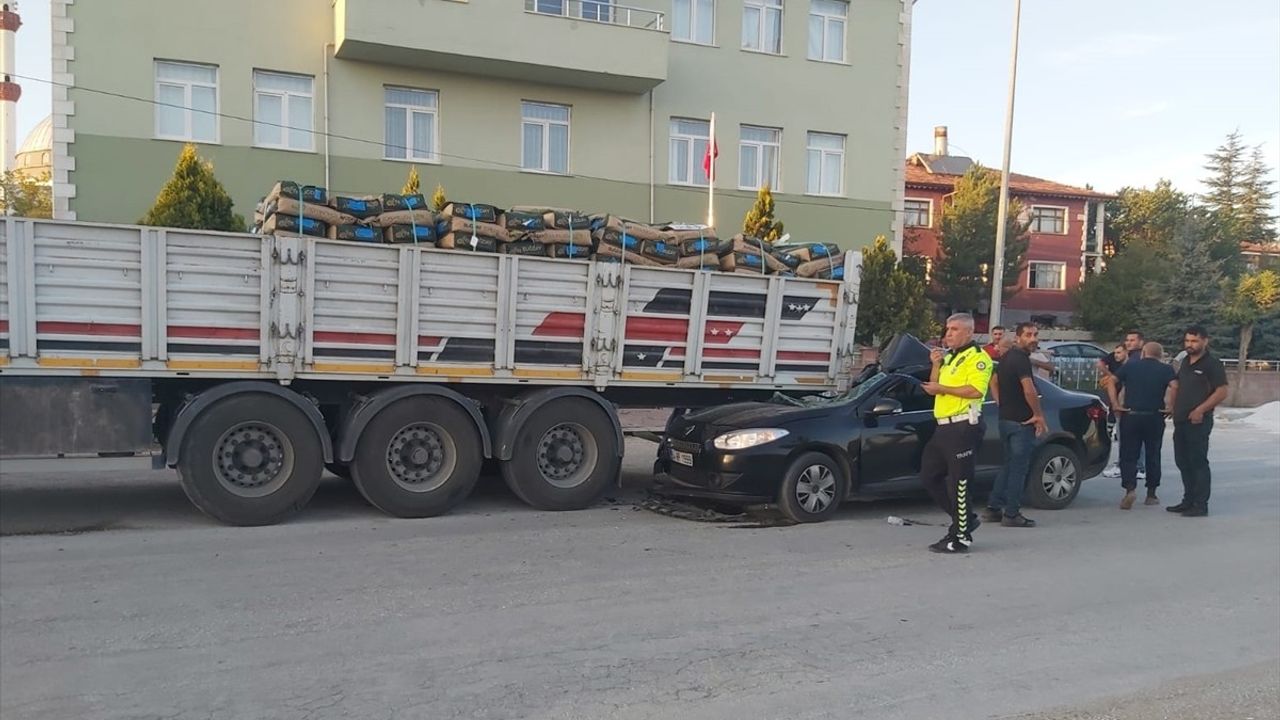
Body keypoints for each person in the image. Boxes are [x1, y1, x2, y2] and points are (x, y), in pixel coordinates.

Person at [919, 313, 995, 554]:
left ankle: (960, 536)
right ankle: (965, 520)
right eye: (947, 329)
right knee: (929, 476)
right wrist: (935, 365)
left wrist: (942, 387)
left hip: (964, 426)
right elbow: (934, 388)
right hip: (943, 425)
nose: (948, 334)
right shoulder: (949, 357)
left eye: (954, 329)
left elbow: (975, 390)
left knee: (959, 483)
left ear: (969, 332)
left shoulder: (978, 358)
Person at [986, 322, 1048, 527]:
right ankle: (1011, 513)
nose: (1033, 339)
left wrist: (1000, 402)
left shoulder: (1005, 358)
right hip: (1022, 421)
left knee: (1009, 464)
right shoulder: (1020, 360)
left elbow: (993, 380)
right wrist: (1038, 415)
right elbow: (1029, 390)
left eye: (1036, 335)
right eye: (1028, 335)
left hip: (1005, 419)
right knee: (1019, 469)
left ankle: (994, 507)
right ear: (1018, 337)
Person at [1107, 342, 1177, 509]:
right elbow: (1175, 386)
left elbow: (1111, 380)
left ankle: (1130, 489)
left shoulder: (1131, 366)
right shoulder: (1166, 369)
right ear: (1160, 355)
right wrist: (1171, 407)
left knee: (1128, 454)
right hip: (1154, 416)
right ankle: (1151, 494)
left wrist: (1115, 403)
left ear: (1144, 352)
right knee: (1153, 453)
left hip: (1131, 415)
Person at [1169, 325, 1228, 517]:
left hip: (1198, 422)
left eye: (1194, 341)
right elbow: (1178, 385)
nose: (1190, 344)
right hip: (1181, 420)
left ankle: (1201, 505)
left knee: (1198, 462)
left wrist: (1200, 410)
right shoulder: (1186, 361)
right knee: (1182, 461)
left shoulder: (1212, 364)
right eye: (1187, 341)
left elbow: (1222, 391)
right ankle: (1188, 501)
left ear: (1205, 341)